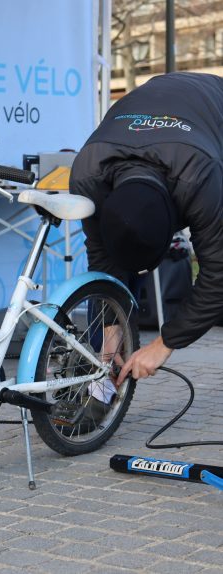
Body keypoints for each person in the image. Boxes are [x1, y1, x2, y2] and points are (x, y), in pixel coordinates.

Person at [69, 72, 223, 408]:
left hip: (210, 120)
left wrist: (164, 344)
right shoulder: (87, 176)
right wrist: (110, 333)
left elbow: (218, 273)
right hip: (160, 117)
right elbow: (102, 262)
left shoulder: (200, 178)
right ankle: (104, 378)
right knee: (113, 277)